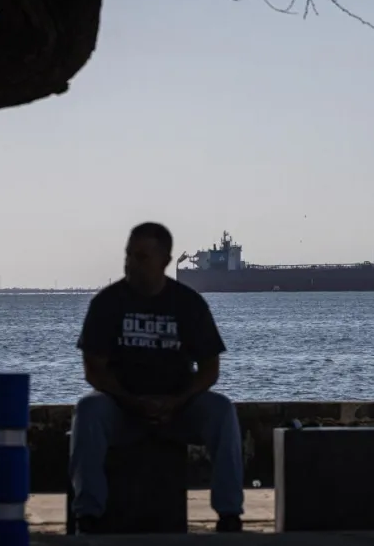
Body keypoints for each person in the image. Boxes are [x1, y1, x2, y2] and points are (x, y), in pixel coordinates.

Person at [69, 222, 244, 534]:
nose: (131, 264)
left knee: (222, 411)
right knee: (88, 412)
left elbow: (210, 368)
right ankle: (88, 515)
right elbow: (93, 369)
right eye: (129, 256)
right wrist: (130, 400)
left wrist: (177, 400)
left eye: (141, 257)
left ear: (165, 259)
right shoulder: (107, 304)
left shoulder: (189, 304)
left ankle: (229, 514)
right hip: (121, 409)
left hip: (180, 408)